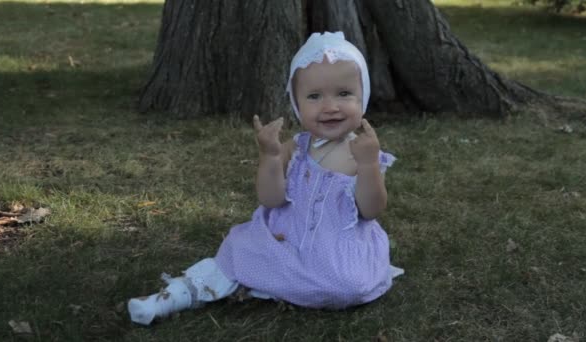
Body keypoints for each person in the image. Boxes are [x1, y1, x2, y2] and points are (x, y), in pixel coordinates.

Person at [127, 31, 404, 326]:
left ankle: (273, 283)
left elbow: (371, 210)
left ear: (364, 96)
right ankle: (175, 295)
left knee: (345, 287)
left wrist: (369, 164)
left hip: (335, 249)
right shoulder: (295, 148)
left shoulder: (363, 152)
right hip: (285, 238)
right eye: (314, 96)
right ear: (297, 104)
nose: (330, 106)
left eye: (344, 93)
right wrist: (270, 157)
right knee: (237, 251)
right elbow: (271, 199)